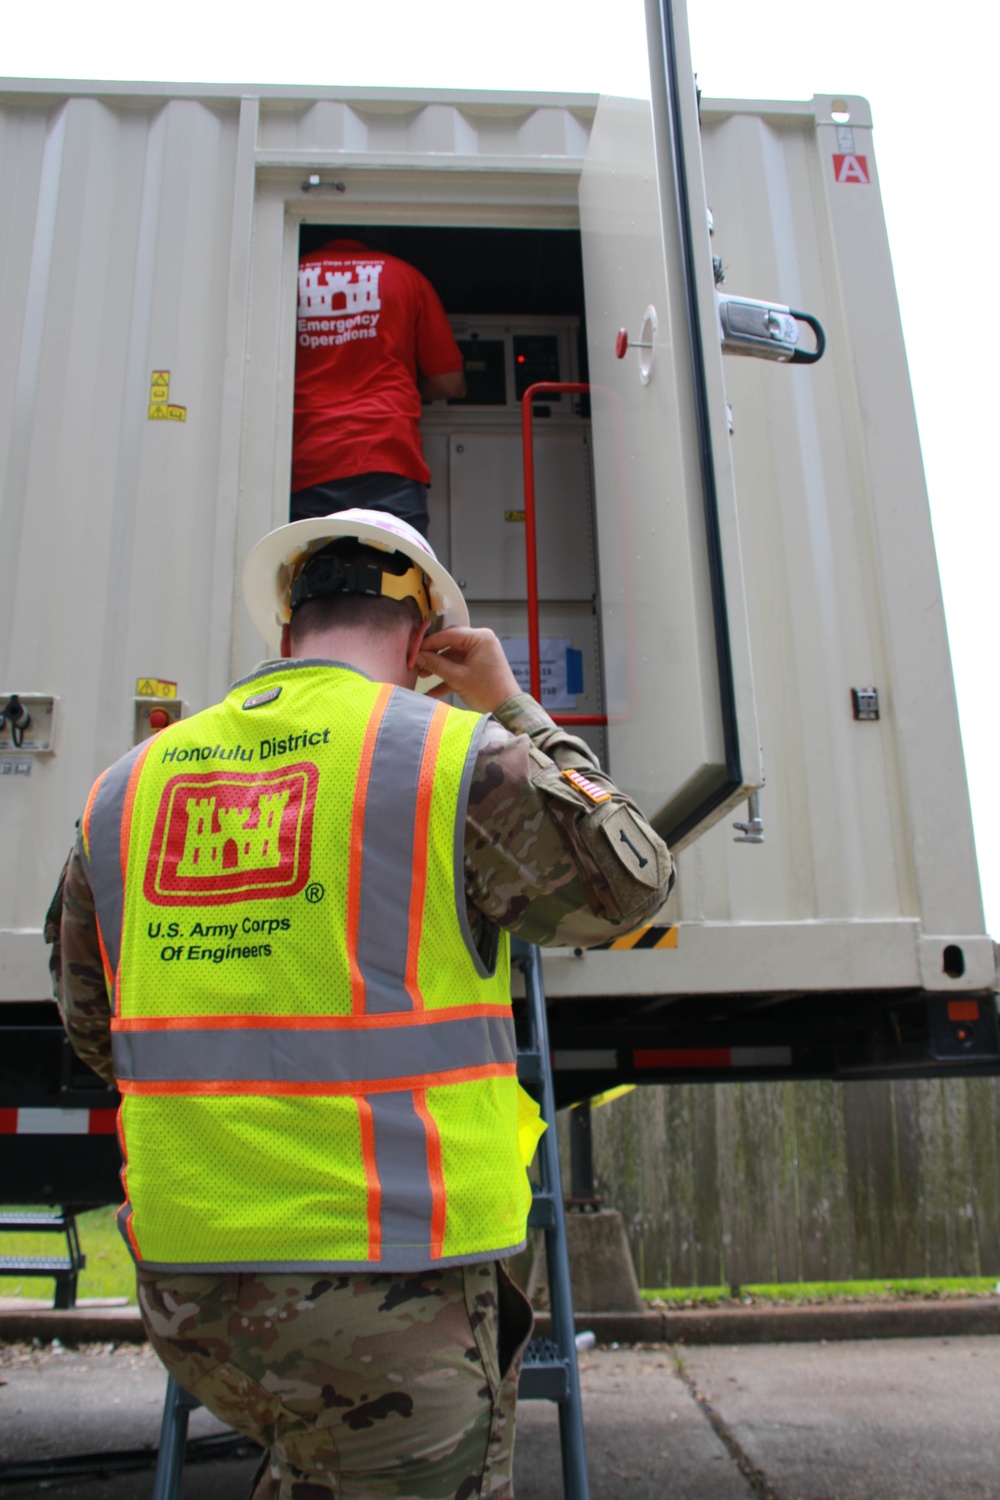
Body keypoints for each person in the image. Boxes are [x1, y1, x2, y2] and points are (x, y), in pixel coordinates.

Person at [48, 508, 673, 1500]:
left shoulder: (126, 789)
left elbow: (94, 1028)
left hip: (190, 1294)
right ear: (426, 637)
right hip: (393, 1287)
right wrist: (513, 705)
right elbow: (633, 885)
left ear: (288, 624)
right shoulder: (449, 753)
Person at [292, 239, 464, 535]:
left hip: (308, 461)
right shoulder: (405, 276)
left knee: (312, 577)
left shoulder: (287, 274)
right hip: (389, 458)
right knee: (395, 577)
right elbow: (449, 382)